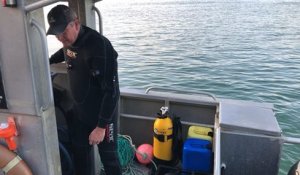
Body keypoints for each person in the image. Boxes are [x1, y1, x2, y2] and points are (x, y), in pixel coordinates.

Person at [47, 5, 121, 175]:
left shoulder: (100, 47)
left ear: (76, 23)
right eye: (56, 33)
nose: (60, 37)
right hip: (80, 113)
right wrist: (48, 60)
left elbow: (112, 92)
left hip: (103, 117)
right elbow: (65, 52)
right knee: (80, 155)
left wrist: (101, 127)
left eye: (63, 31)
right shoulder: (69, 41)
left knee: (109, 158)